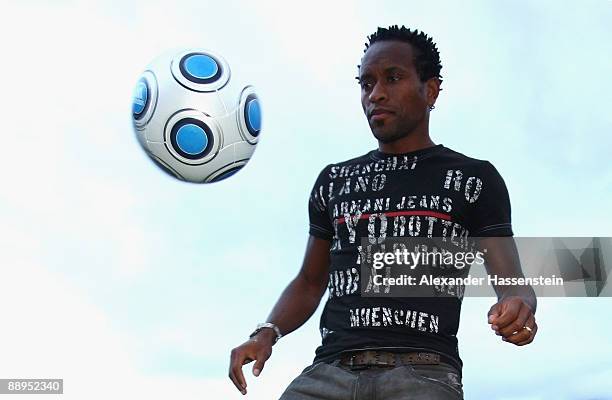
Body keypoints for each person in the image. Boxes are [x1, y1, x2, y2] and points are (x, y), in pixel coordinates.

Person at [228, 25, 538, 399]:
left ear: (431, 90)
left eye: (393, 78)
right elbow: (310, 282)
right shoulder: (334, 180)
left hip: (423, 373)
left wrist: (518, 306)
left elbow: (510, 280)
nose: (376, 94)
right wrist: (265, 333)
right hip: (328, 372)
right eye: (366, 83)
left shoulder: (472, 178)